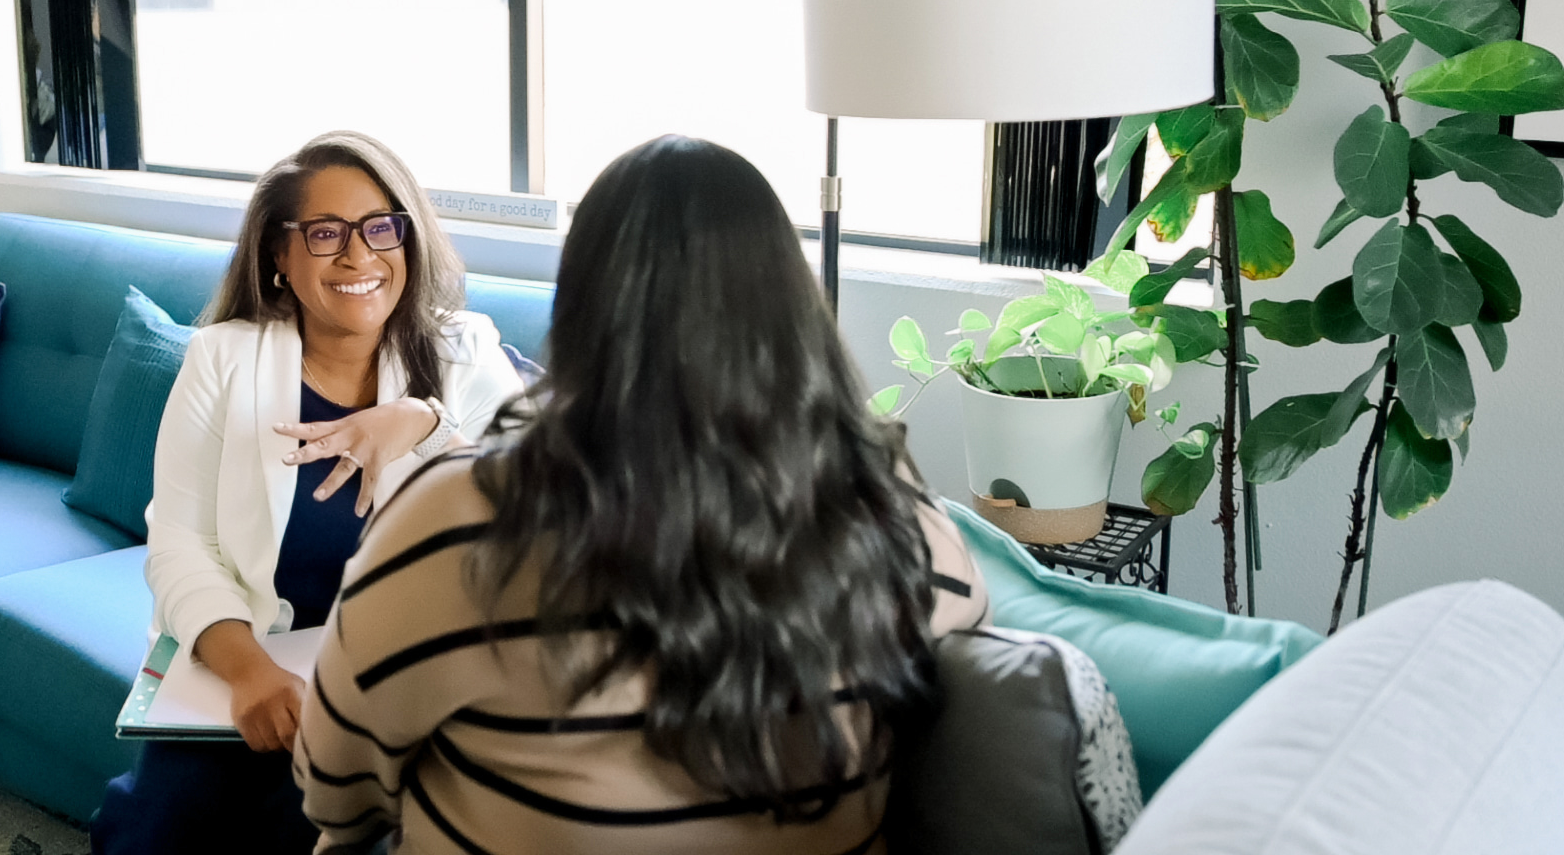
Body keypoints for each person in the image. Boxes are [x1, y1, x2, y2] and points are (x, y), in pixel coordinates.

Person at [293, 135, 989, 854]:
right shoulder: (895, 519)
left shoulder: (456, 520)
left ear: (583, 310)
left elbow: (335, 792)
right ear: (791, 309)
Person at [91, 131, 526, 855]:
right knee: (152, 832)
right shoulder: (222, 359)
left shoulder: (464, 352)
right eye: (326, 234)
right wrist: (251, 674)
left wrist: (425, 422)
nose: (359, 256)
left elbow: (538, 496)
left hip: (402, 682)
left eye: (381, 227)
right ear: (279, 258)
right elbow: (178, 542)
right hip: (249, 661)